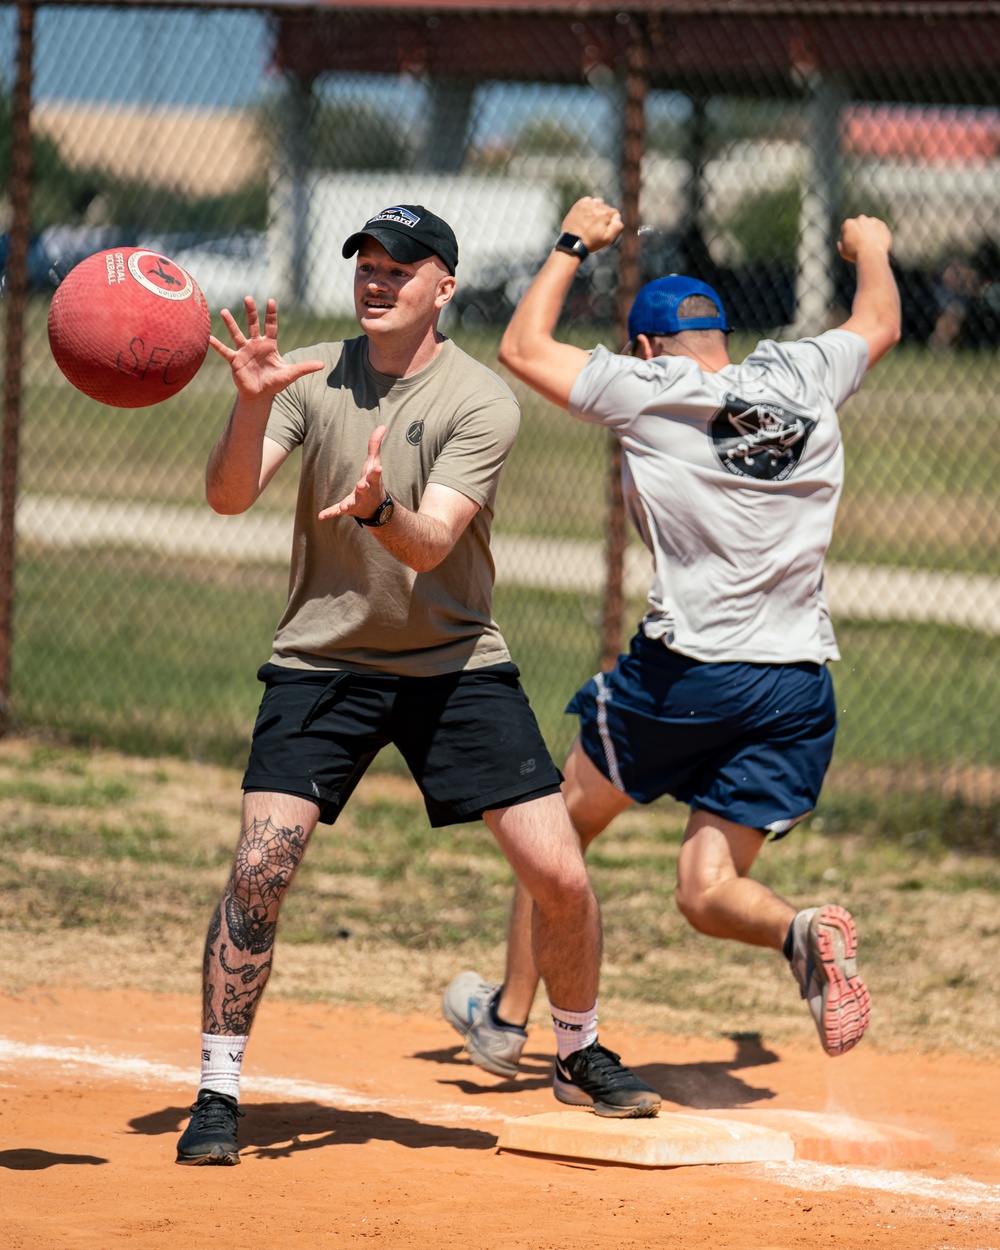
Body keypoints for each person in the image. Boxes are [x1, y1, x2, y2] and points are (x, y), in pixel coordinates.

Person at [175, 204, 660, 1166]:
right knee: (261, 868)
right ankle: (219, 1092)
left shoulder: (482, 400)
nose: (378, 278)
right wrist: (245, 402)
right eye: (367, 261)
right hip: (322, 661)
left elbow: (432, 543)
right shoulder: (306, 374)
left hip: (454, 665)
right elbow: (228, 497)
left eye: (403, 266)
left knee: (559, 874)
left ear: (444, 287)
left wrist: (378, 509)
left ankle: (578, 1049)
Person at [442, 195, 901, 1080]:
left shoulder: (653, 388)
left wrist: (575, 240)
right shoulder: (806, 372)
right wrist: (871, 246)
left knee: (556, 833)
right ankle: (800, 930)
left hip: (689, 674)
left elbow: (521, 348)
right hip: (800, 683)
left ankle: (505, 1022)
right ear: (722, 338)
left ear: (646, 346)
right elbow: (878, 317)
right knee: (705, 891)